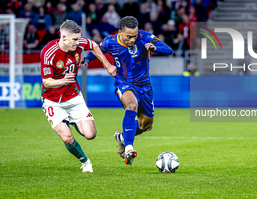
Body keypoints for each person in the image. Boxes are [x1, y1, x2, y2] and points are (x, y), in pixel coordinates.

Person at [82, 16, 172, 165]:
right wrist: (87, 59)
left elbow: (168, 50)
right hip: (124, 82)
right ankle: (129, 147)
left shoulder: (145, 37)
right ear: (120, 32)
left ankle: (122, 137)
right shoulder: (110, 41)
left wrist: (155, 48)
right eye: (129, 36)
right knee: (131, 105)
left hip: (144, 86)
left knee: (146, 125)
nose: (132, 39)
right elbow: (98, 50)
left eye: (134, 36)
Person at [40, 20, 116, 172]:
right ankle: (86, 162)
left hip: (74, 96)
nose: (77, 43)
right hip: (52, 101)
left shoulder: (79, 42)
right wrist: (62, 80)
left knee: (91, 134)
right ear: (63, 37)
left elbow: (94, 46)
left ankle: (72, 121)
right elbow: (46, 82)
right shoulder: (49, 53)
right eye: (74, 40)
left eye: (79, 38)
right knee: (67, 137)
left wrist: (107, 65)